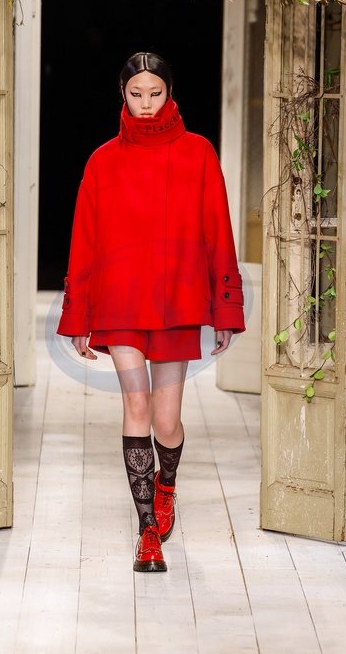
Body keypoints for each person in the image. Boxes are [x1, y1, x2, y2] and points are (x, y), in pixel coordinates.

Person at [57, 52, 245, 573]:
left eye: (155, 94)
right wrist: (78, 315)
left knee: (166, 420)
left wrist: (225, 308)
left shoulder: (198, 153)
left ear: (170, 92)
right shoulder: (102, 161)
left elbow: (217, 229)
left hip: (177, 301)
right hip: (121, 301)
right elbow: (85, 241)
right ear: (122, 94)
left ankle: (167, 486)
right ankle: (147, 533)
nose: (145, 104)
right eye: (135, 94)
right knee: (136, 407)